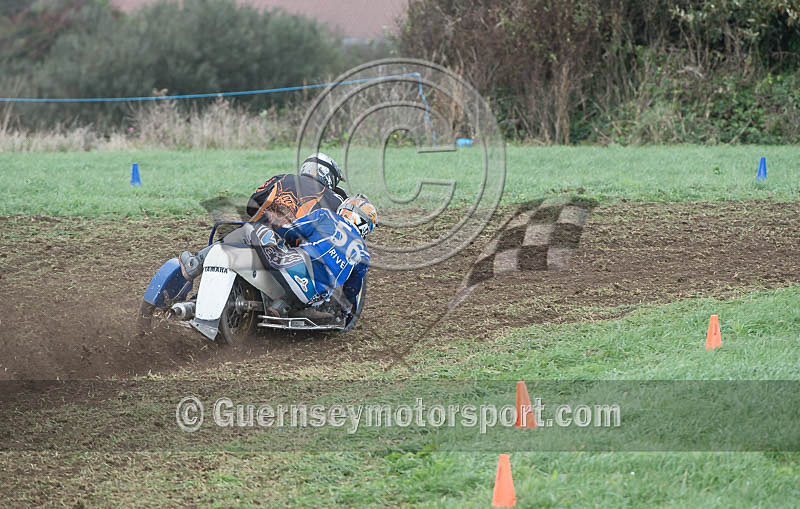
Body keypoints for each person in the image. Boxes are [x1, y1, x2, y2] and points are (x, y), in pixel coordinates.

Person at [179, 152, 346, 279]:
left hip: (256, 233)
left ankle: (197, 263)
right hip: (294, 250)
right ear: (329, 176)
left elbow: (253, 202)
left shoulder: (281, 178)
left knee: (234, 238)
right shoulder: (335, 199)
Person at [262, 194, 377, 322]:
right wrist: (345, 308)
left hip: (290, 268)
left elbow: (291, 231)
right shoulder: (363, 254)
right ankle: (285, 305)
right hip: (314, 296)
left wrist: (278, 236)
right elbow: (352, 289)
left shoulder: (326, 215)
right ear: (366, 225)